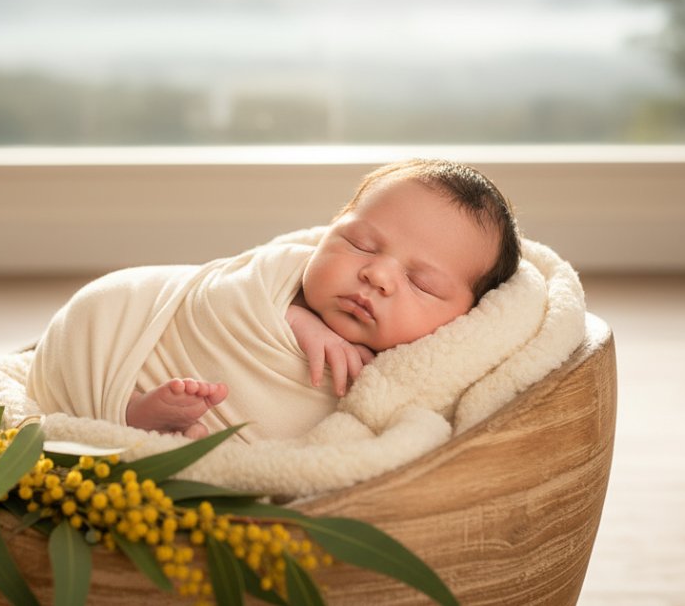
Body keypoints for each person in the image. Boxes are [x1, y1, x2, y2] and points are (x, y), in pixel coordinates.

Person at [121, 159, 520, 439]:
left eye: (421, 283)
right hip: (142, 339)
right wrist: (295, 318)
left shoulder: (427, 372)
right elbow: (224, 299)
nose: (378, 275)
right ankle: (127, 407)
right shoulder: (276, 276)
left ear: (467, 315)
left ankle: (151, 424)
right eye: (360, 244)